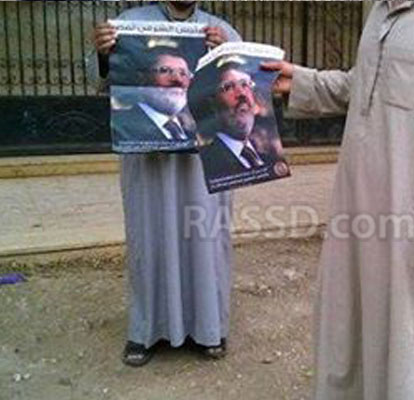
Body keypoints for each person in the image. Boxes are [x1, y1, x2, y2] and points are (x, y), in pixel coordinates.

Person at [264, 1, 414, 399]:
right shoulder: (380, 11)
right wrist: (302, 81)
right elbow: (364, 84)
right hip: (356, 211)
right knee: (349, 327)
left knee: (410, 343)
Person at [92, 1, 241, 367]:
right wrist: (104, 55)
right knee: (149, 237)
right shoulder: (129, 24)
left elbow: (242, 93)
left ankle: (209, 328)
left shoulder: (221, 30)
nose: (175, 78)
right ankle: (146, 330)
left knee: (206, 240)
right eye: (165, 71)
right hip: (148, 164)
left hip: (204, 164)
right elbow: (103, 83)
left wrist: (228, 57)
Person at [190, 57, 279, 180]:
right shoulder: (207, 160)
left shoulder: (269, 159)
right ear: (212, 103)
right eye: (228, 87)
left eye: (245, 84)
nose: (241, 93)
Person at [111, 47, 196, 146]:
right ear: (143, 78)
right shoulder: (118, 125)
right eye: (165, 70)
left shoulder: (194, 130)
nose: (178, 80)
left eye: (183, 73)